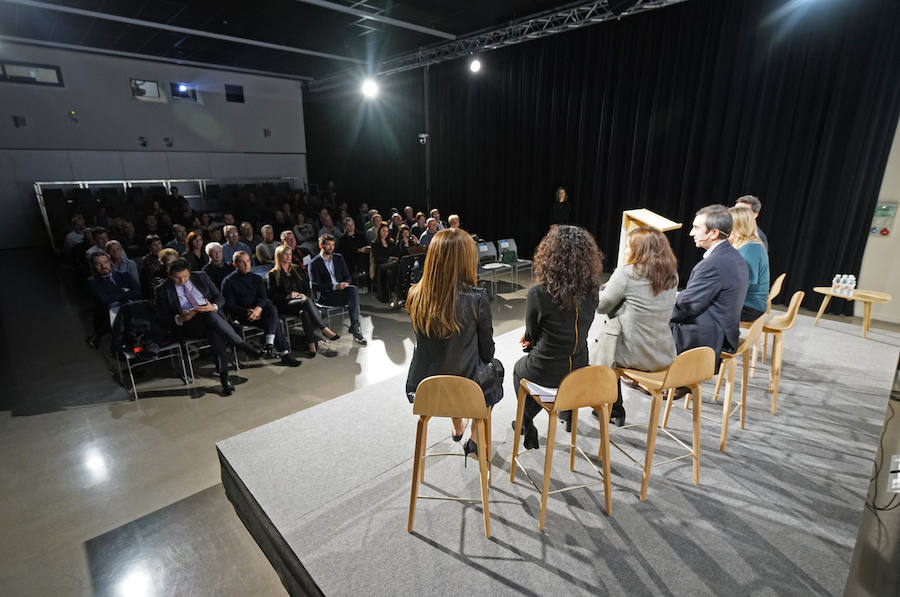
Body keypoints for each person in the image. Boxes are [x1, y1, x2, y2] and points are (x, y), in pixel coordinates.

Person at [405, 228, 502, 461]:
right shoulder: (477, 298)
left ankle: (458, 427)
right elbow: (487, 353)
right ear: (466, 259)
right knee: (494, 368)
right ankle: (475, 438)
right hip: (465, 389)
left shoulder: (415, 295)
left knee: (447, 362)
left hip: (424, 389)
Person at [513, 225, 602, 449]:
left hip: (546, 370)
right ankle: (567, 414)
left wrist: (530, 338)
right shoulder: (593, 290)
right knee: (565, 362)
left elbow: (532, 335)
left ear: (549, 256)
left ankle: (526, 423)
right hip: (580, 370)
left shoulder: (539, 293)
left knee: (518, 370)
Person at [590, 227, 678, 427]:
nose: (626, 250)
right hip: (662, 353)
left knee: (598, 346)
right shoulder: (672, 276)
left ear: (638, 250)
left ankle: (612, 408)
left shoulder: (628, 273)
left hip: (632, 354)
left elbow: (601, 307)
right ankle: (614, 407)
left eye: (629, 247)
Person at [670, 205, 749, 387]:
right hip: (723, 329)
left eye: (696, 228)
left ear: (713, 233)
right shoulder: (733, 256)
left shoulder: (713, 265)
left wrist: (656, 312)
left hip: (710, 336)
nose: (691, 233)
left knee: (646, 326)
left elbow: (685, 307)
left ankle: (666, 379)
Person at [156, 259, 260, 396]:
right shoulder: (162, 289)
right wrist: (179, 318)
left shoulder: (200, 276)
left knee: (213, 330)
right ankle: (240, 344)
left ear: (190, 273)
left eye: (185, 277)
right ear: (170, 275)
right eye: (178, 278)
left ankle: (224, 378)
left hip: (212, 320)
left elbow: (219, 297)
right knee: (210, 319)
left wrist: (214, 306)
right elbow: (161, 318)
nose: (182, 281)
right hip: (189, 325)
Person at [221, 252, 300, 366]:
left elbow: (263, 297)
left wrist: (258, 309)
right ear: (235, 264)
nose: (246, 264)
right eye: (242, 262)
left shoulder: (256, 278)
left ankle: (270, 345)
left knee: (271, 308)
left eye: (248, 261)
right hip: (242, 316)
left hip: (260, 312)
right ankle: (282, 353)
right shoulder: (228, 282)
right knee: (275, 322)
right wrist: (248, 312)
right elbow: (230, 305)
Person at [267, 244, 341, 358]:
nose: (288, 256)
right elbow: (272, 296)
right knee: (306, 301)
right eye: (285, 254)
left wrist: (301, 294)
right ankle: (323, 329)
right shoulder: (273, 274)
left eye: (290, 254)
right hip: (284, 304)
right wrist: (288, 296)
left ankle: (311, 346)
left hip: (301, 302)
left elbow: (306, 287)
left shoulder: (296, 269)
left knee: (304, 312)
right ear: (279, 256)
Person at [308, 234, 367, 345]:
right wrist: (335, 286)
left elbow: (348, 276)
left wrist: (345, 283)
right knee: (353, 295)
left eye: (333, 245)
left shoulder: (338, 258)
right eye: (328, 245)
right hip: (326, 296)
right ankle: (355, 328)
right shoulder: (314, 263)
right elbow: (316, 285)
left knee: (353, 290)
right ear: (321, 246)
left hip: (341, 292)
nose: (331, 247)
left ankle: (355, 326)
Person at [87, 252, 142, 347]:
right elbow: (104, 300)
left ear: (110, 262)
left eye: (105, 262)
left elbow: (138, 292)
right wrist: (124, 292)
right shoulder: (93, 282)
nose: (103, 266)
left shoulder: (124, 275)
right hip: (108, 315)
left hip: (133, 309)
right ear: (93, 266)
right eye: (98, 264)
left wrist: (115, 295)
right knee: (117, 306)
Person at [729, 206, 770, 322]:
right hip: (750, 304)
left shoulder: (750, 249)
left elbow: (744, 284)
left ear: (737, 225)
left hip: (750, 308)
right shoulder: (751, 244)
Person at [371, 223, 401, 305]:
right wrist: (389, 258)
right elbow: (377, 258)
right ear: (379, 231)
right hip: (381, 265)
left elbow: (397, 254)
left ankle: (395, 293)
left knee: (392, 270)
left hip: (391, 265)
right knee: (395, 266)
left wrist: (394, 258)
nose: (385, 233)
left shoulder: (391, 242)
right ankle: (394, 293)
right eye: (383, 231)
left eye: (387, 231)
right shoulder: (375, 243)